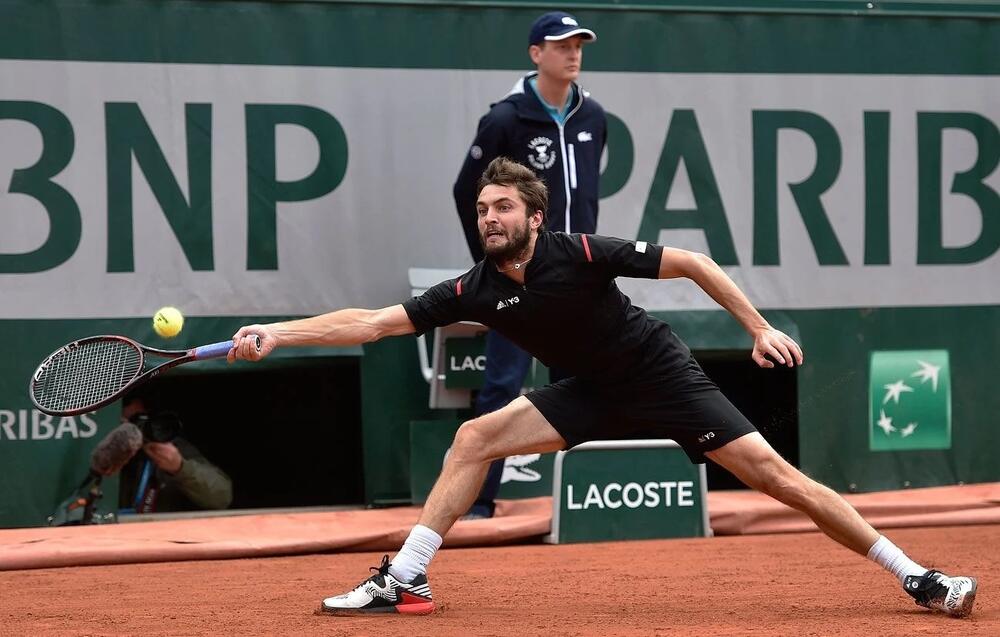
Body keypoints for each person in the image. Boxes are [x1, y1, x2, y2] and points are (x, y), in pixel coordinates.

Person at [228, 158, 977, 619]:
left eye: (502, 208)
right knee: (474, 437)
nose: (488, 218)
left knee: (780, 478)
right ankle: (407, 578)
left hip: (658, 375)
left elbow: (692, 261)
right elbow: (370, 321)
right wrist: (280, 332)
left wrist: (755, 325)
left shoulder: (582, 251)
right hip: (586, 389)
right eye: (482, 209)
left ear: (534, 215)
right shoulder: (476, 288)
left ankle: (917, 577)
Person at [453, 10, 606, 518]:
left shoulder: (593, 117)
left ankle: (579, 499)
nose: (573, 53)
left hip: (575, 277)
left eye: (578, 44)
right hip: (516, 278)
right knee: (502, 384)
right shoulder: (505, 119)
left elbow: (588, 197)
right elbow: (466, 191)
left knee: (580, 382)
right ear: (536, 54)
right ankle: (478, 502)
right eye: (561, 45)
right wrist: (494, 262)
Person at [117, 396, 233, 513]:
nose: (134, 430)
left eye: (138, 421)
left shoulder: (166, 446)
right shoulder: (102, 450)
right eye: (123, 424)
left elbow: (222, 497)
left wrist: (180, 468)